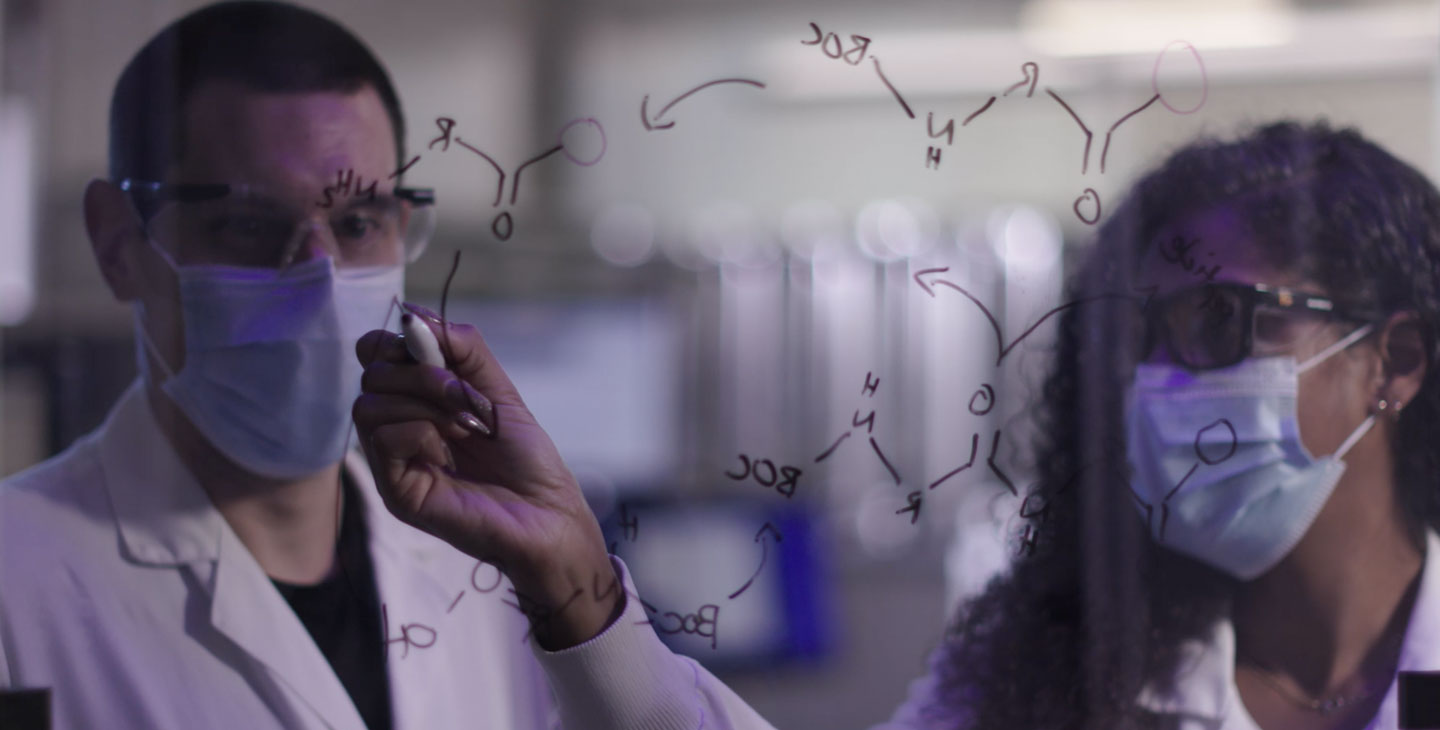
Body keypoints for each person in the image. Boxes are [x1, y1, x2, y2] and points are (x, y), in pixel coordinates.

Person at [356, 120, 1440, 729]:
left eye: (1218, 322)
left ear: (1392, 362)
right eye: (1137, 335)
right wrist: (579, 586)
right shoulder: (1066, 674)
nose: (1157, 381)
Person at [0, 2, 768, 728]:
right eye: (246, 223)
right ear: (115, 243)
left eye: (359, 222)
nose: (319, 279)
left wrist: (576, 588)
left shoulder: (495, 573)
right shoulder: (19, 586)